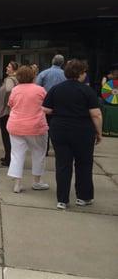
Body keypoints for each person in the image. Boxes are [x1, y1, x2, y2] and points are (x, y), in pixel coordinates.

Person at [42, 59, 103, 210]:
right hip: (82, 131)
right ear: (81, 73)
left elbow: (46, 109)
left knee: (63, 164)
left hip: (60, 129)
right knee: (84, 163)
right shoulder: (87, 91)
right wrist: (99, 133)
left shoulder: (56, 89)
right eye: (84, 72)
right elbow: (96, 114)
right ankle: (83, 197)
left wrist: (59, 111)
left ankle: (62, 199)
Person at [6, 66, 49, 193]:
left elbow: (11, 105)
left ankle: (17, 184)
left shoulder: (15, 90)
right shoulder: (40, 90)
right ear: (33, 76)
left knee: (16, 154)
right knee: (39, 153)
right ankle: (37, 181)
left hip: (16, 125)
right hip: (36, 126)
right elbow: (46, 105)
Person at [0, 61, 19, 166]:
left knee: (6, 136)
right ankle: (8, 156)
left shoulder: (10, 79)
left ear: (14, 70)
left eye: (9, 67)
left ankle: (8, 158)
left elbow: (9, 90)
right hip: (10, 111)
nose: (6, 67)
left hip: (6, 112)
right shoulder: (17, 79)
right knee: (10, 136)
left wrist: (7, 103)